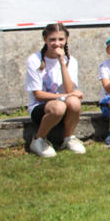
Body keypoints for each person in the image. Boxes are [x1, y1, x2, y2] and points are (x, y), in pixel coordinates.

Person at [24, 23, 87, 158]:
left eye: (60, 39)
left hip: (64, 105)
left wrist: (62, 63)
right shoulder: (34, 60)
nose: (57, 43)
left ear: (66, 40)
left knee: (74, 102)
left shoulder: (71, 61)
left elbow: (70, 89)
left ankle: (69, 138)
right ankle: (39, 140)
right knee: (59, 106)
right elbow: (38, 95)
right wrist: (67, 94)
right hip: (42, 108)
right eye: (52, 39)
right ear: (45, 39)